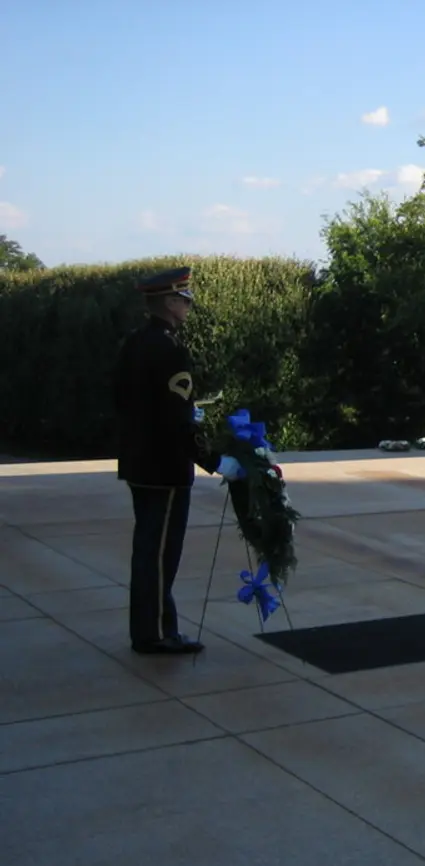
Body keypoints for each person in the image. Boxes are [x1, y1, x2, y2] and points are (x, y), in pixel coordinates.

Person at [112, 266, 242, 654]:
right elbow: (176, 420)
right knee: (158, 555)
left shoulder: (134, 343)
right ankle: (154, 634)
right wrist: (214, 460)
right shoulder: (170, 350)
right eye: (184, 300)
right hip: (164, 468)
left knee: (148, 549)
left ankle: (150, 629)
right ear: (169, 302)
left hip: (138, 462)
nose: (187, 307)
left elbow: (126, 402)